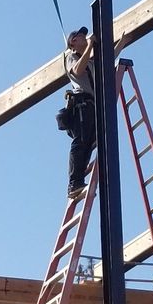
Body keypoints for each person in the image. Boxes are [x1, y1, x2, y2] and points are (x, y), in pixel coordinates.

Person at [61, 27, 98, 199]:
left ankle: (79, 180)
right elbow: (77, 70)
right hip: (82, 105)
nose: (85, 37)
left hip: (93, 105)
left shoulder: (90, 61)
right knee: (81, 141)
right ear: (73, 42)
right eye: (81, 36)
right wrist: (90, 45)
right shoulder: (71, 57)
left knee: (91, 141)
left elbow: (107, 59)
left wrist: (123, 41)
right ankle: (74, 183)